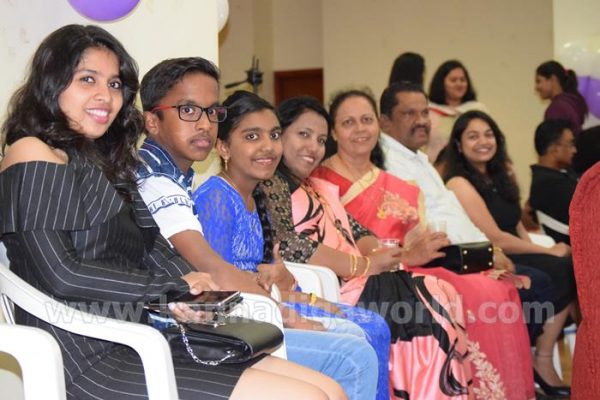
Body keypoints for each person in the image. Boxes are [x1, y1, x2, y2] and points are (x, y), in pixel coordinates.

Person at [0, 24, 339, 400]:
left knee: (329, 390)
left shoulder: (105, 160)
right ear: (52, 82)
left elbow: (153, 243)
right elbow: (61, 274)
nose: (105, 96)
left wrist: (196, 290)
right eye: (87, 79)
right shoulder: (32, 150)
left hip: (142, 331)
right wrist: (171, 290)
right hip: (86, 349)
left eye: (114, 84)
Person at [134, 57, 367, 400]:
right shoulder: (165, 185)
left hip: (233, 312)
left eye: (211, 112)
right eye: (189, 111)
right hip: (199, 327)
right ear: (152, 121)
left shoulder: (180, 179)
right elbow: (215, 270)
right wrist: (286, 311)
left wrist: (289, 292)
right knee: (353, 356)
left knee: (356, 339)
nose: (205, 124)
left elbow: (249, 271)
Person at [313, 88, 539, 399]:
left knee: (495, 288)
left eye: (366, 119)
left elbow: (421, 240)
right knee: (469, 294)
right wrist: (407, 255)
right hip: (361, 276)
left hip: (410, 265)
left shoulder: (397, 183)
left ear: (377, 124)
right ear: (334, 132)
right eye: (348, 122)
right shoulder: (321, 182)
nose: (360, 129)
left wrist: (479, 255)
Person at [259, 95, 479, 399]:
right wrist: (364, 265)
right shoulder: (274, 182)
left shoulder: (316, 185)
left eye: (320, 140)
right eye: (303, 134)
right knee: (432, 299)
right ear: (279, 135)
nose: (313, 147)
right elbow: (290, 245)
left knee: (442, 291)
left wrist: (378, 253)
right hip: (335, 287)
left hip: (358, 279)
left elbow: (358, 230)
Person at [192, 90, 390, 400]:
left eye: (273, 135)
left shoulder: (253, 198)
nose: (268, 146)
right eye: (252, 136)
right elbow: (220, 283)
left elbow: (269, 275)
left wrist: (305, 298)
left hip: (264, 311)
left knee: (359, 331)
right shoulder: (216, 198)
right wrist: (291, 315)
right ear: (223, 146)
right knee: (355, 356)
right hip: (237, 329)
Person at [442, 110, 577, 397]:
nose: (483, 141)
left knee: (567, 265)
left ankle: (542, 355)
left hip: (516, 248)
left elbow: (516, 224)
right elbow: (495, 236)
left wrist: (543, 251)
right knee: (554, 270)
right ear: (458, 145)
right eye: (473, 136)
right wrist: (548, 251)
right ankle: (537, 357)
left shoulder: (502, 174)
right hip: (493, 254)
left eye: (488, 134)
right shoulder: (458, 183)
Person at [529, 119, 579, 244]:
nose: (574, 150)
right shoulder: (550, 184)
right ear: (554, 149)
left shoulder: (555, 176)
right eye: (570, 144)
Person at [427, 60, 487, 162]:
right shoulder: (429, 111)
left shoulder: (477, 110)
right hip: (436, 165)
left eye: (462, 80)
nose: (459, 84)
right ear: (441, 84)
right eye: (453, 80)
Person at [535, 60, 588, 135]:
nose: (536, 87)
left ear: (553, 79)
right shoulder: (572, 102)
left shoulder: (557, 108)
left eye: (538, 81)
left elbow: (556, 139)